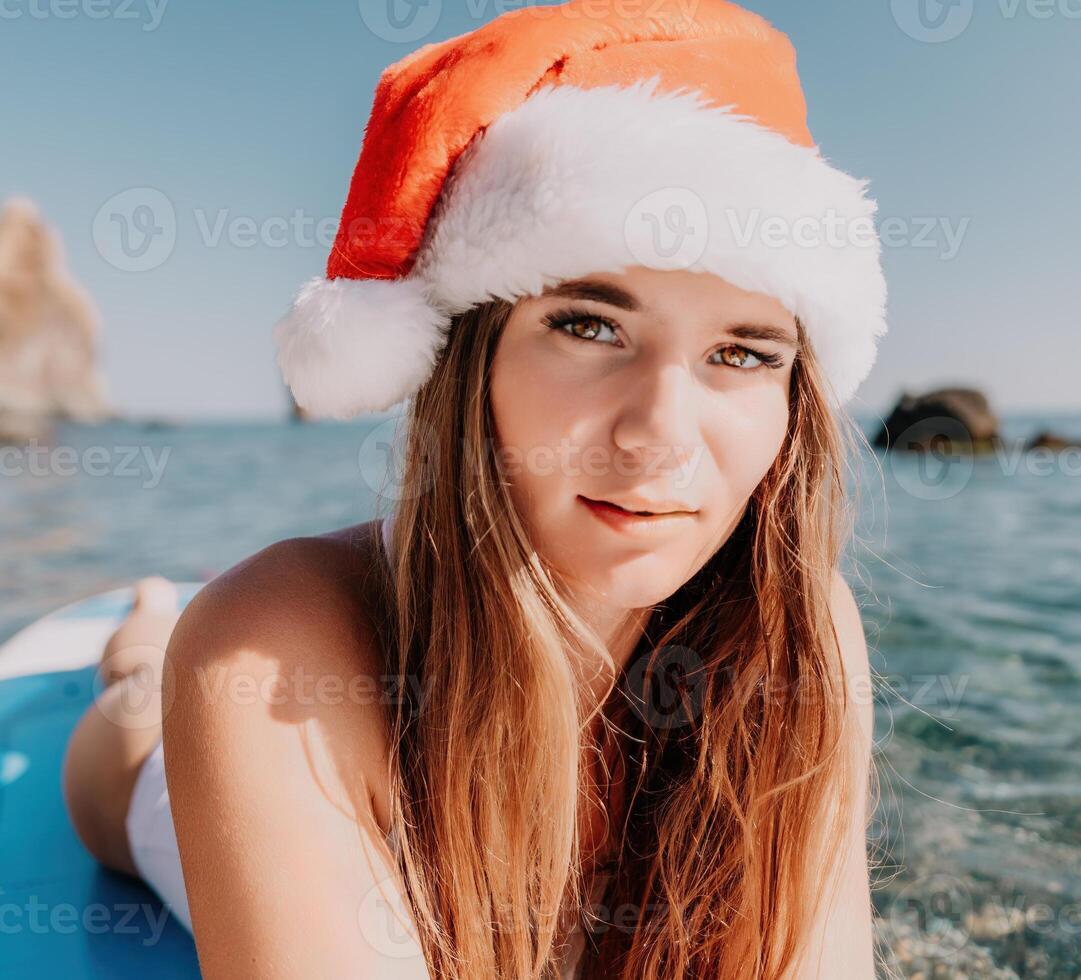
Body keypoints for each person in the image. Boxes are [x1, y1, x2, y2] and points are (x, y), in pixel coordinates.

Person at [62, 1, 889, 977]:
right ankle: (145, 636)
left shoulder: (799, 626)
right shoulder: (270, 648)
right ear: (470, 360)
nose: (661, 432)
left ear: (795, 401)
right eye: (589, 326)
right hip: (154, 780)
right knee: (135, 704)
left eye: (741, 352)